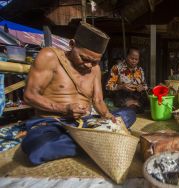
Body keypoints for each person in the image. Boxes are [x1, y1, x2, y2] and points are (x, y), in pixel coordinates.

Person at [22, 22, 136, 165]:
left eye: (95, 62)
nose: (89, 65)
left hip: (86, 123)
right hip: (53, 123)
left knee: (129, 114)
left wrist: (110, 119)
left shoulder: (95, 69)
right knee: (38, 148)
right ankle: (96, 143)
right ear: (72, 44)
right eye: (85, 58)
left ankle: (89, 141)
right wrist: (64, 109)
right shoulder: (50, 56)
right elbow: (29, 96)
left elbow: (98, 101)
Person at [106, 47, 148, 113]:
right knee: (132, 107)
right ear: (127, 56)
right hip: (121, 96)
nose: (134, 61)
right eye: (132, 58)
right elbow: (108, 86)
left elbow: (145, 85)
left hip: (136, 96)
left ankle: (135, 106)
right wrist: (121, 86)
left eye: (136, 59)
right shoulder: (117, 68)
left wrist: (142, 87)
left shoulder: (140, 70)